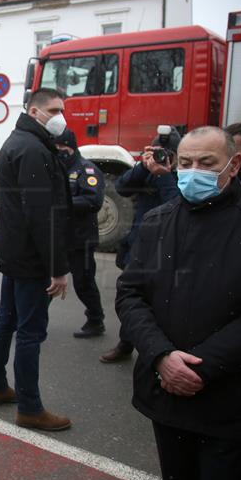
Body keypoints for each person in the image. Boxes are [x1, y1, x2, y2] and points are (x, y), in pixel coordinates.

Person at [116, 126, 241, 480]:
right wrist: (162, 356)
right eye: (186, 163)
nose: (194, 171)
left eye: (207, 163)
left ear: (233, 165)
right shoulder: (158, 221)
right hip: (167, 397)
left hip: (232, 401)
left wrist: (202, 368)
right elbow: (131, 294)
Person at [0, 87, 71, 432]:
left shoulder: (21, 142)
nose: (61, 116)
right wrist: (57, 267)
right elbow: (41, 214)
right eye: (55, 109)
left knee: (7, 320)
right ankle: (30, 407)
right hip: (32, 257)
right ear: (35, 111)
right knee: (31, 332)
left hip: (16, 252)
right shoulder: (33, 148)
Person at [101, 129, 180, 363]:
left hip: (166, 249)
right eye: (155, 153)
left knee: (160, 303)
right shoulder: (147, 172)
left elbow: (176, 205)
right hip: (140, 244)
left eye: (165, 154)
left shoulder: (184, 176)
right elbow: (122, 187)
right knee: (131, 299)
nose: (160, 158)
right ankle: (126, 342)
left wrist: (165, 174)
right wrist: (142, 167)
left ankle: (161, 350)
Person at [54, 129, 106, 338]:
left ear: (70, 147)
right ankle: (35, 319)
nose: (58, 152)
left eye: (61, 148)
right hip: (60, 237)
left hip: (81, 239)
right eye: (54, 148)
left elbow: (93, 201)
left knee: (83, 282)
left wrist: (62, 204)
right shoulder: (57, 169)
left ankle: (96, 320)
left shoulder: (87, 170)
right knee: (50, 280)